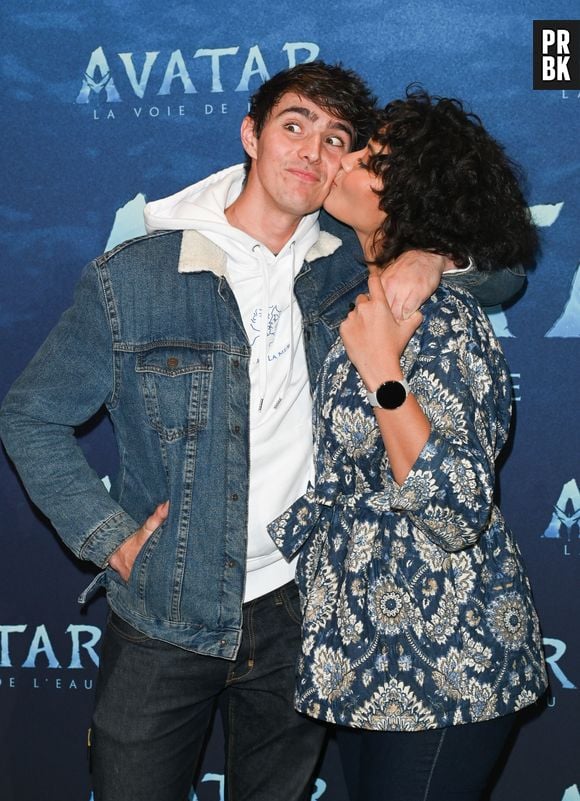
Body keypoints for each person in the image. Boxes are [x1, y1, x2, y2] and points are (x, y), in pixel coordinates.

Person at [0, 64, 524, 801]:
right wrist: (106, 534)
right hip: (167, 610)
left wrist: (431, 255)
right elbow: (30, 413)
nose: (315, 150)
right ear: (250, 134)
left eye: (337, 137)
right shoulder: (139, 274)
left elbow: (499, 267)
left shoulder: (350, 265)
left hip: (300, 612)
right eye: (294, 124)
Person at [268, 88, 548, 801]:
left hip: (442, 662)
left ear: (410, 198)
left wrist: (386, 374)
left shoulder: (443, 321)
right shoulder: (369, 291)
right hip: (367, 663)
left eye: (367, 157)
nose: (344, 162)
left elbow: (456, 507)